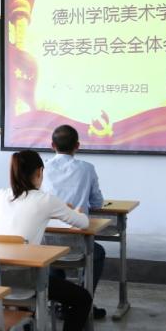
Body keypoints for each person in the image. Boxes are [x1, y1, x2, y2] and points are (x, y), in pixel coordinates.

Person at [0, 150, 96, 331]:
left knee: (28, 284)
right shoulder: (46, 200)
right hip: (26, 280)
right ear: (39, 172)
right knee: (82, 298)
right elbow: (82, 223)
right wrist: (74, 211)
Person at [41, 124, 108, 318]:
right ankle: (82, 301)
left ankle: (60, 303)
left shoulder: (42, 168)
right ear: (77, 146)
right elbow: (97, 202)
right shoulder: (87, 168)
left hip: (46, 241)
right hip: (77, 243)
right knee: (98, 253)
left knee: (53, 258)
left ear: (52, 145)